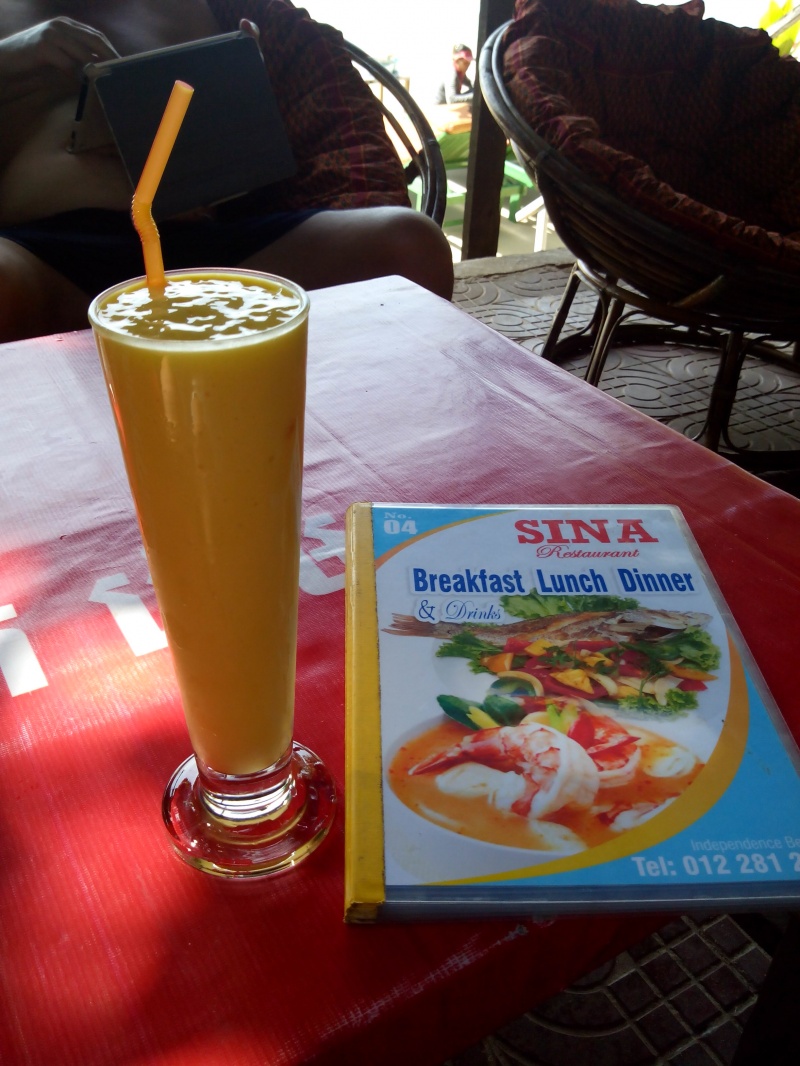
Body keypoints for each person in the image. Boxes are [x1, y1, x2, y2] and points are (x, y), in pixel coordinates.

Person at [0, 0, 454, 343]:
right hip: (46, 260)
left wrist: (240, 84)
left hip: (210, 254)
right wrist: (15, 55)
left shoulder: (193, 6)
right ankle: (96, 346)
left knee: (409, 245)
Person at [433, 43, 474, 107]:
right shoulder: (451, 74)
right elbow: (451, 99)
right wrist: (475, 96)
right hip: (442, 108)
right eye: (465, 63)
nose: (467, 66)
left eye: (469, 63)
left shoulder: (460, 72)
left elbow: (470, 84)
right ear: (457, 61)